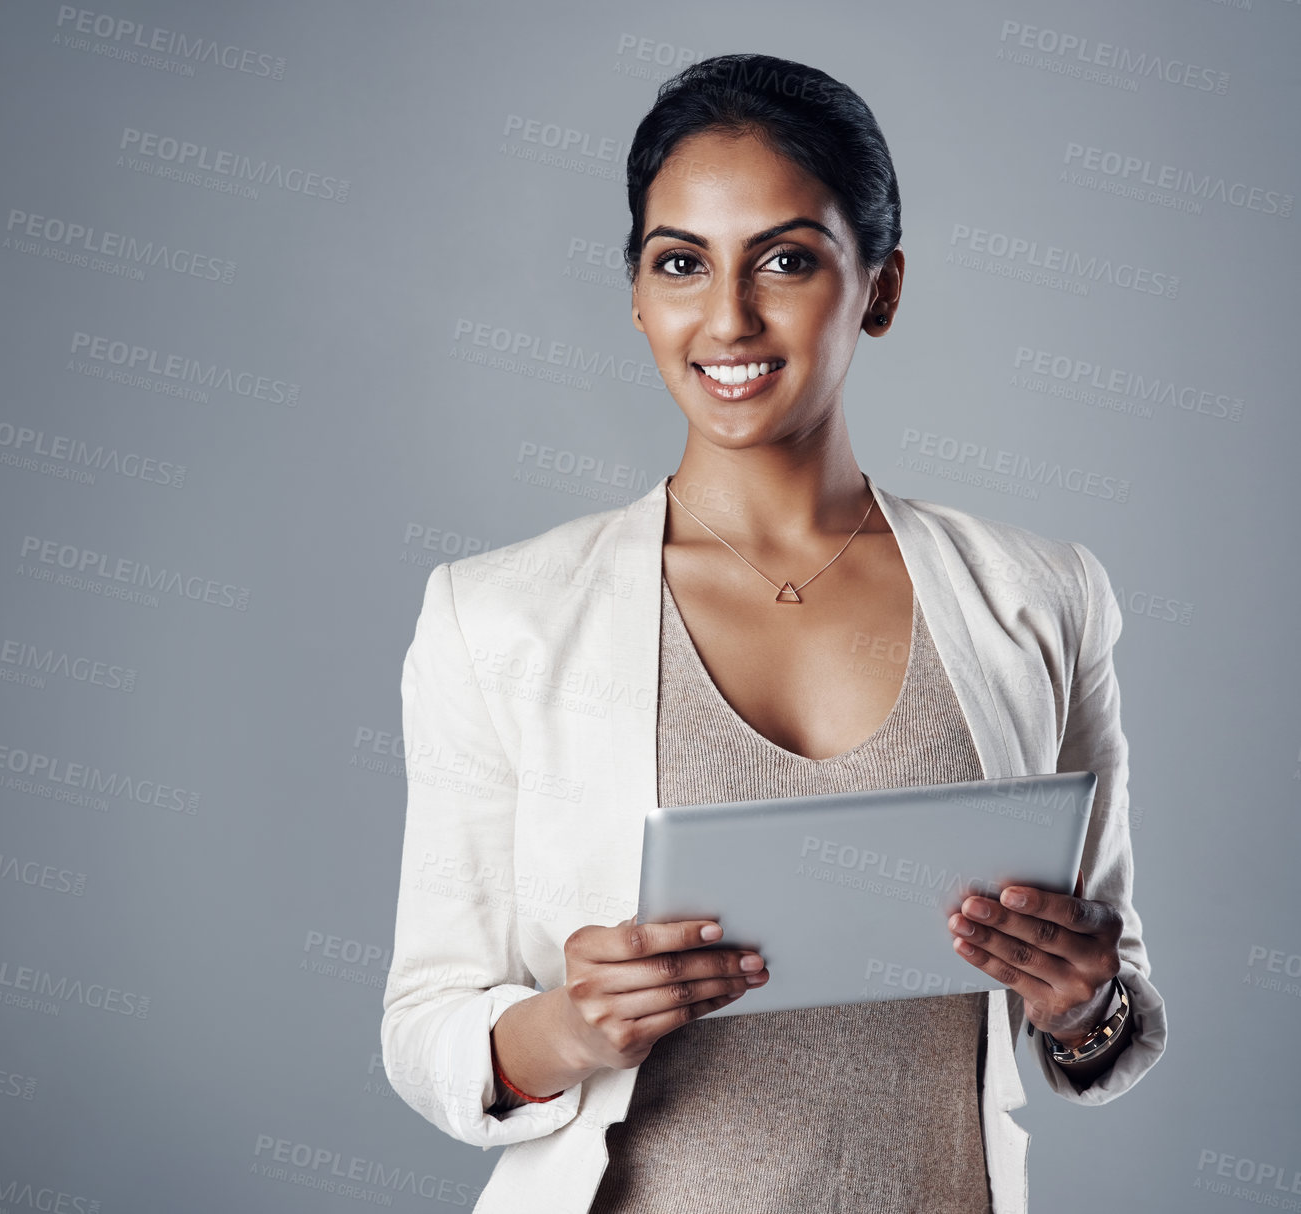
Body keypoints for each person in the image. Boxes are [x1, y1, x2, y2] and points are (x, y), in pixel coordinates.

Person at [380, 52, 1165, 1214]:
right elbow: (425, 1026)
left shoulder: (1037, 597)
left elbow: (1109, 995)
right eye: (680, 262)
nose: (728, 316)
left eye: (787, 259)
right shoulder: (495, 616)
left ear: (880, 289)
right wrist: (564, 1025)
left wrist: (1078, 999)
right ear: (637, 294)